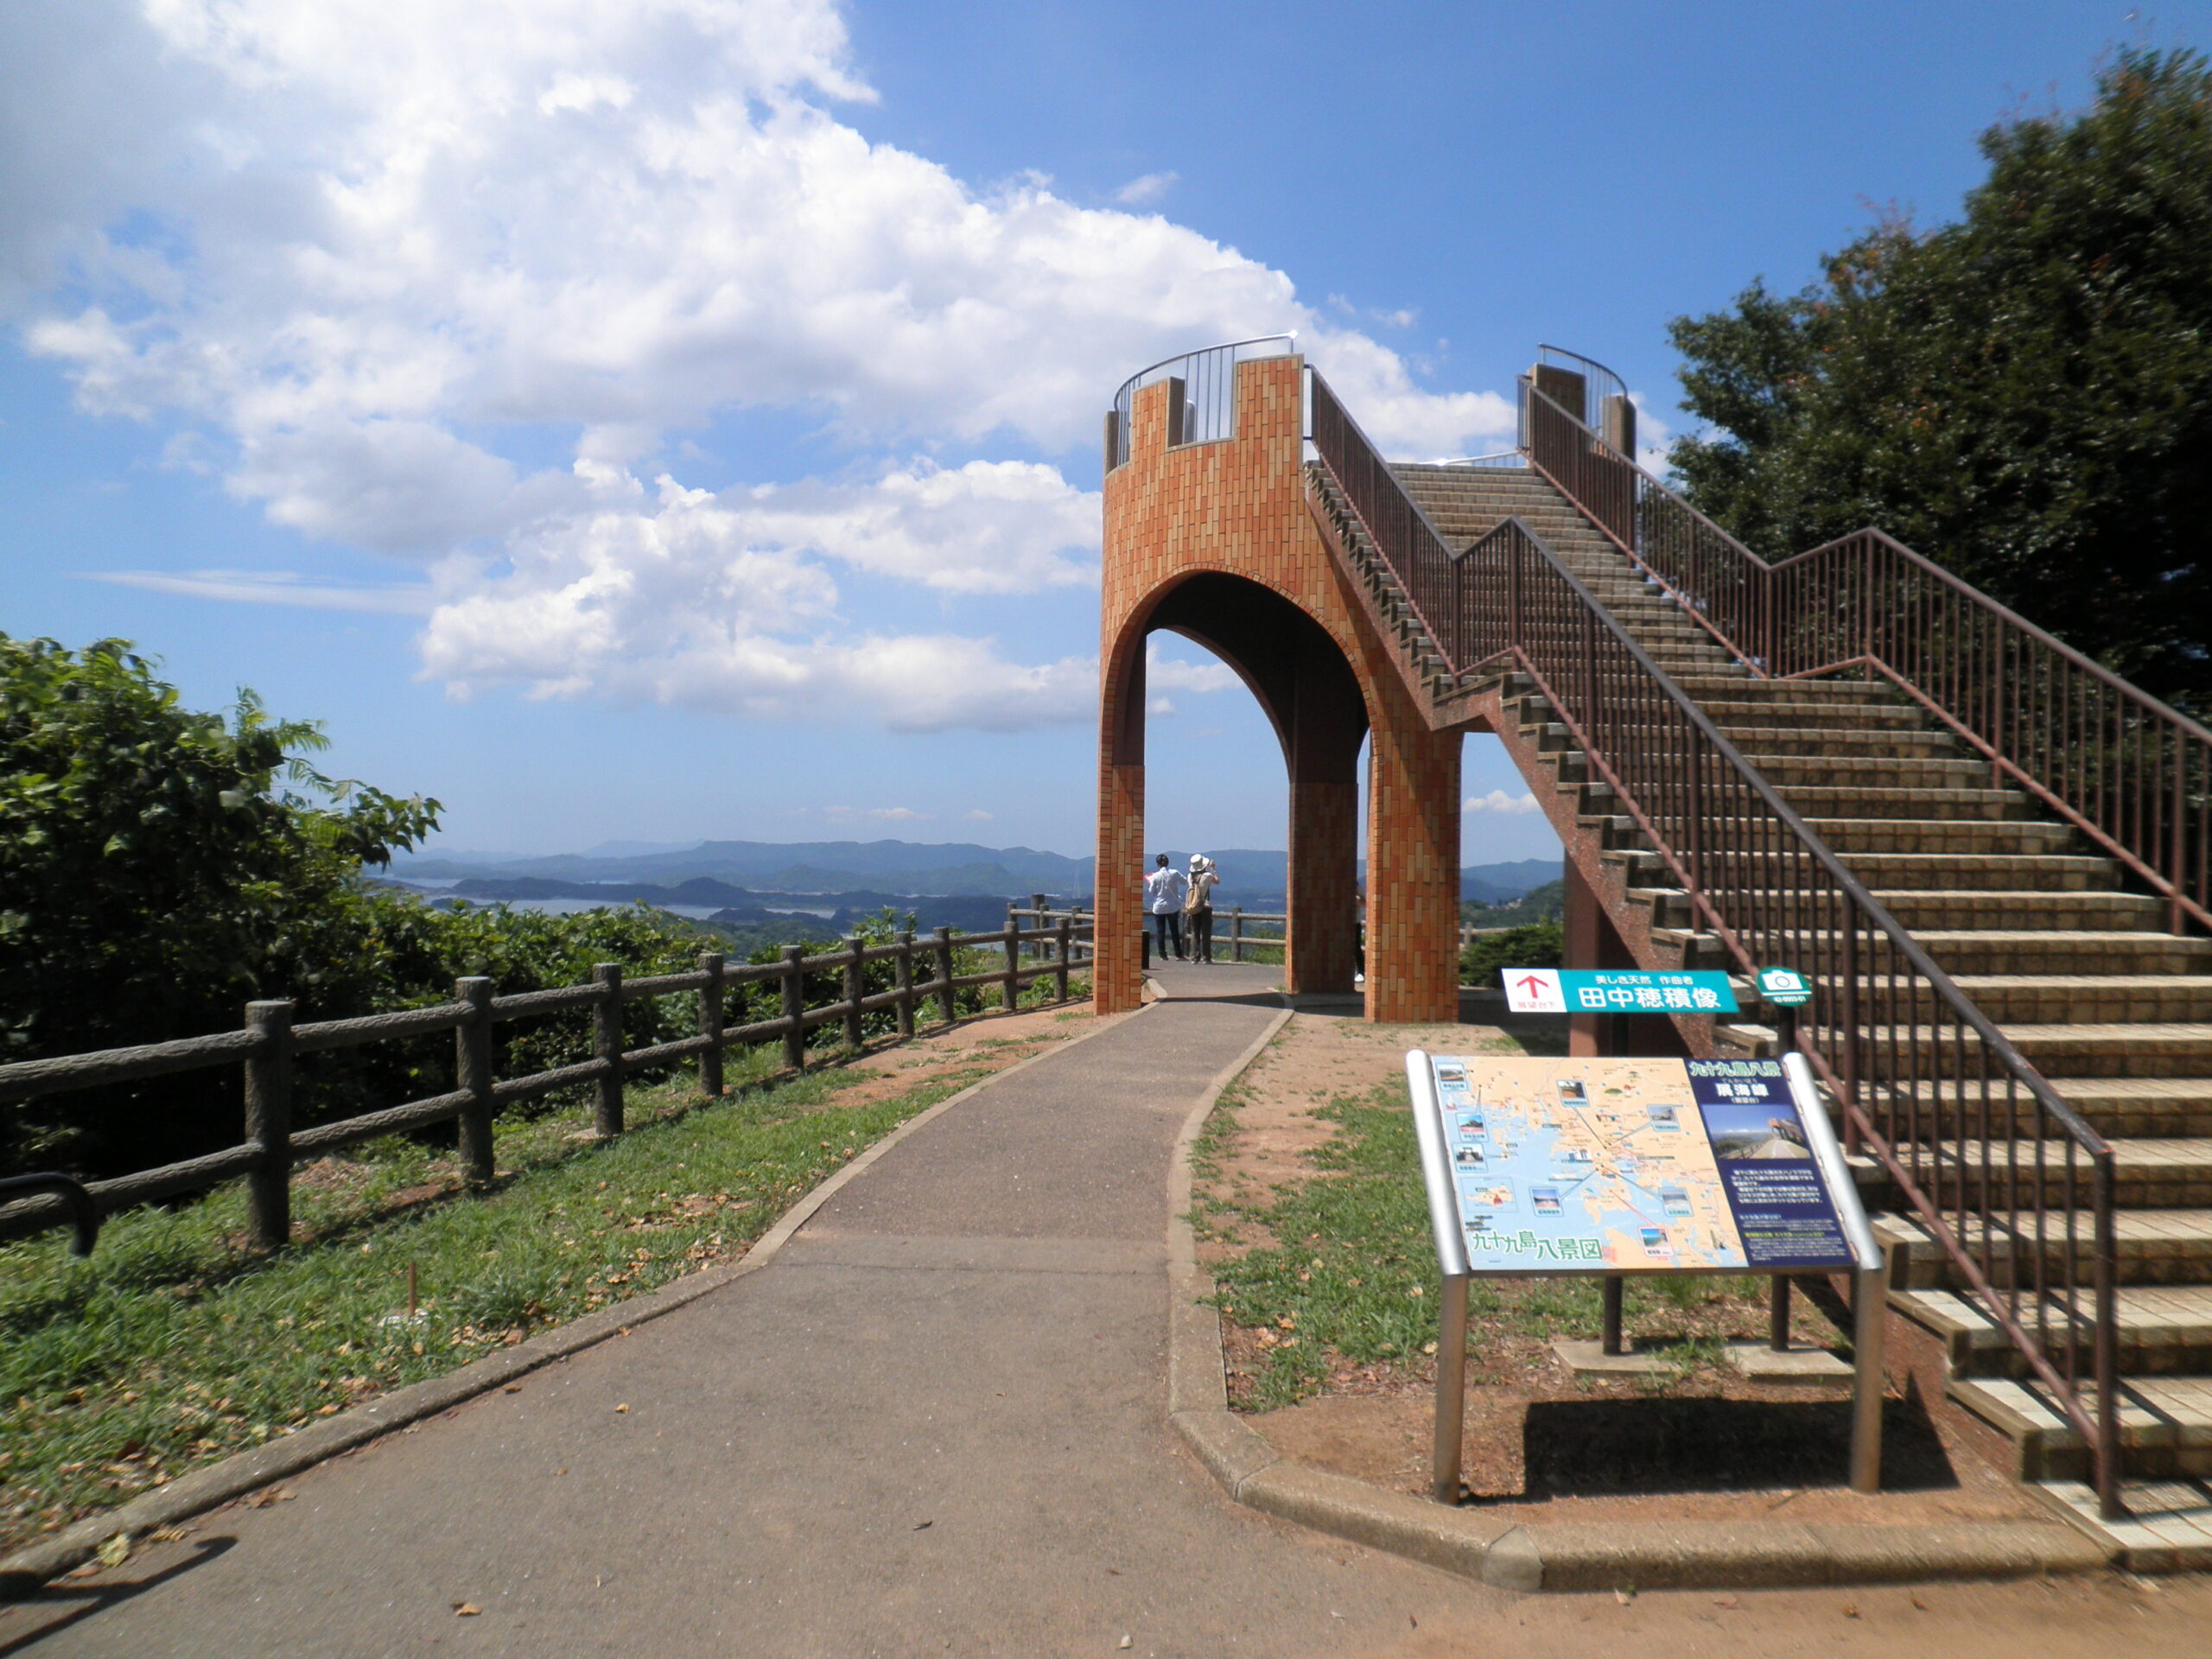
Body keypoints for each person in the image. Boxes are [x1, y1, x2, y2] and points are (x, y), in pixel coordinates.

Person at [1144, 853, 1188, 961]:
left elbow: (1152, 891)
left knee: (1160, 930)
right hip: (1172, 905)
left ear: (1157, 864)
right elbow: (1185, 882)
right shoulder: (1175, 873)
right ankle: (1178, 953)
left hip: (1159, 906)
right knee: (1174, 930)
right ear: (1168, 862)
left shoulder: (1155, 876)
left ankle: (1163, 954)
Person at [1185, 853, 1219, 963]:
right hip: (1205, 905)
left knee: (1195, 931)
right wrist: (1213, 868)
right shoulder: (1207, 876)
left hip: (1193, 906)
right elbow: (1217, 881)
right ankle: (1206, 957)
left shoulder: (1190, 877)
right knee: (1206, 932)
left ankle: (1195, 956)